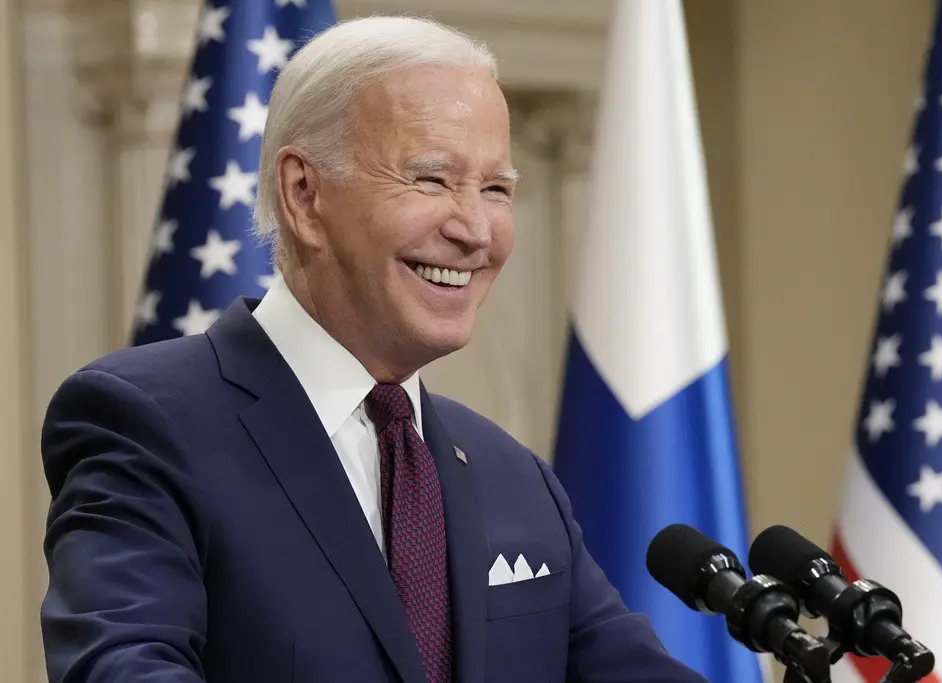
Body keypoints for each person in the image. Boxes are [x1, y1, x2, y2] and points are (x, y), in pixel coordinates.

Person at [39, 15, 708, 683]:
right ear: (304, 195)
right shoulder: (146, 423)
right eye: (431, 179)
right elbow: (122, 669)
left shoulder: (515, 479)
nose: (475, 229)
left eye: (496, 188)